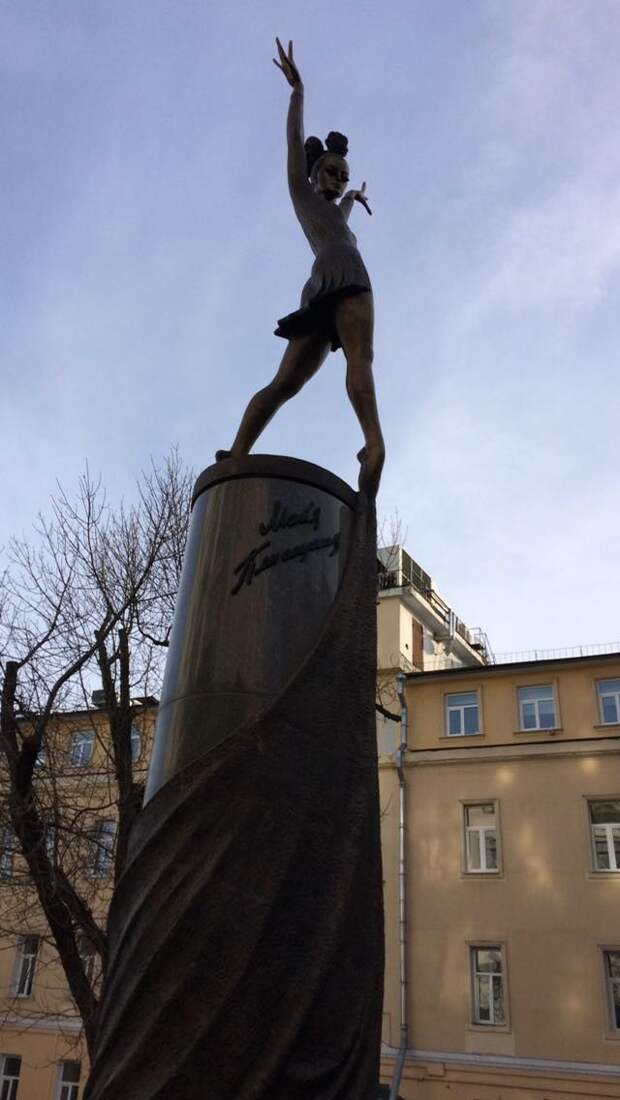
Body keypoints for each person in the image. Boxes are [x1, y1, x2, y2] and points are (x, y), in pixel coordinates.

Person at [217, 38, 385, 495]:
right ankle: (237, 453)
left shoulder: (338, 213)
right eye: (332, 172)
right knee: (286, 382)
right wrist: (298, 94)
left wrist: (355, 197)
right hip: (325, 283)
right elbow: (294, 145)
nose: (340, 180)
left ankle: (373, 443)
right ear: (314, 173)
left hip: (350, 277)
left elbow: (343, 211)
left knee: (360, 358)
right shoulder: (303, 195)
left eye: (344, 176)